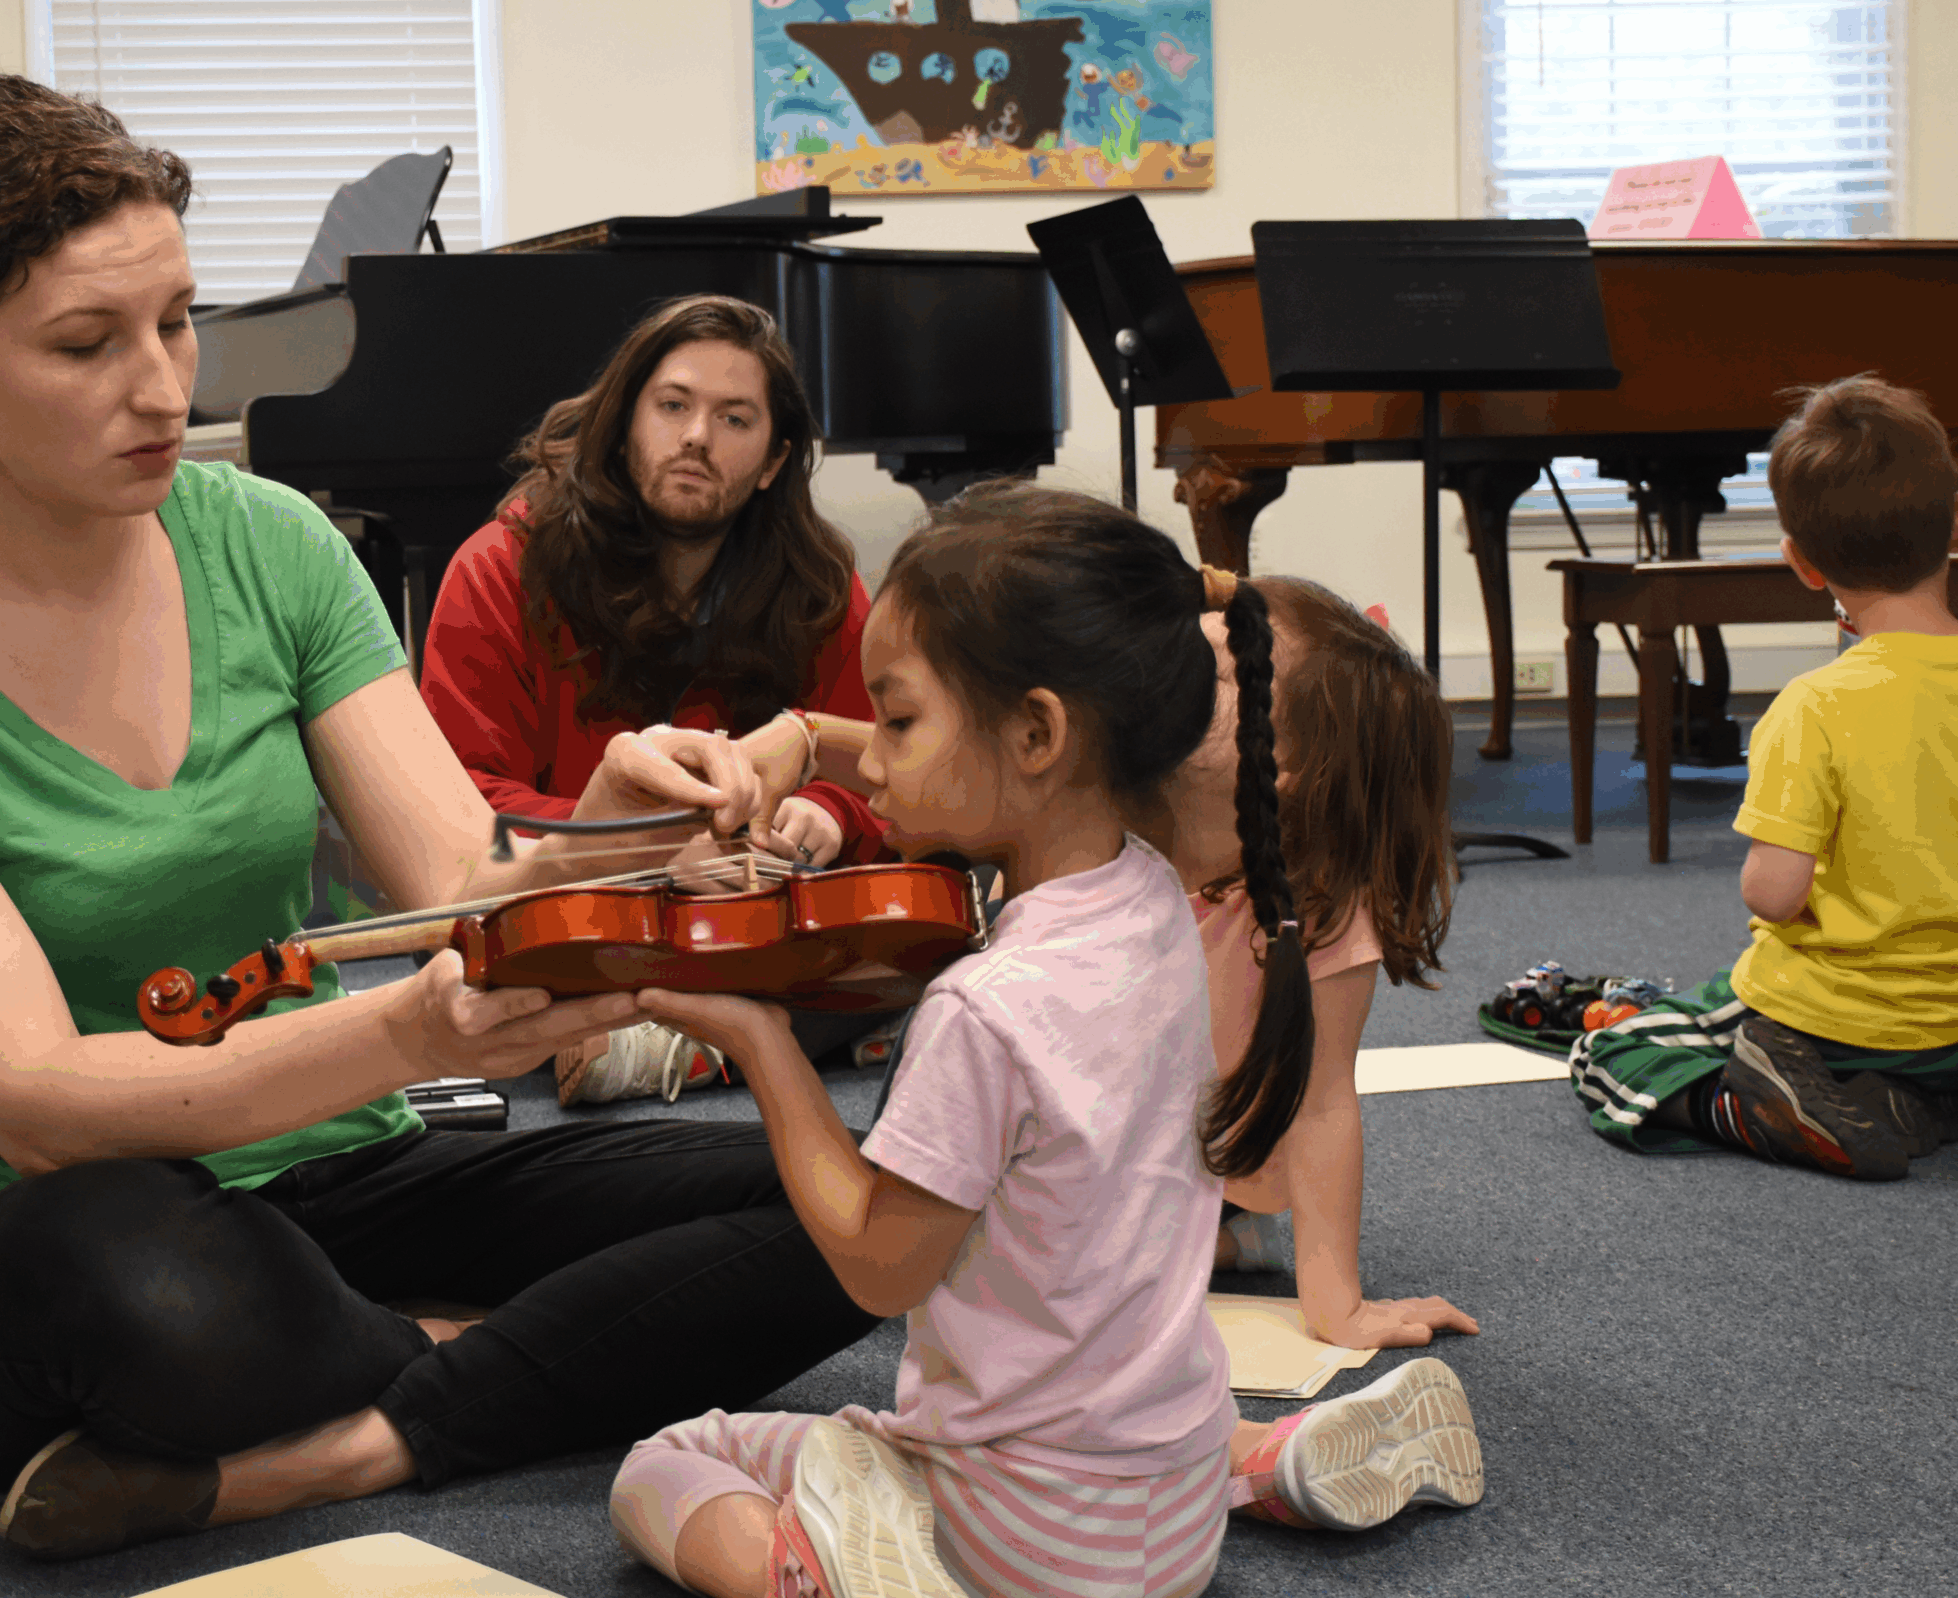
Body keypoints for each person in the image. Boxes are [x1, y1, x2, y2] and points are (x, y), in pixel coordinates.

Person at [0, 69, 883, 1563]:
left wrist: (614, 825)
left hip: (340, 1166)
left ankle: (361, 1430)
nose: (166, 388)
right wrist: (410, 1035)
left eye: (176, 318)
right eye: (87, 344)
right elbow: (30, 1096)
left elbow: (466, 882)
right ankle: (517, 1354)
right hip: (81, 1223)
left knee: (855, 1195)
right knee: (127, 1289)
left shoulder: (274, 544)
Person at [602, 484, 1482, 1598]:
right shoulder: (1162, 895)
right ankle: (1268, 1457)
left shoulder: (984, 1008)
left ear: (1039, 729)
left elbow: (880, 1268)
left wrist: (763, 1041)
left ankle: (827, 1576)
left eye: (902, 719)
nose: (874, 763)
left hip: (1019, 1544)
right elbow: (1011, 765)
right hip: (1166, 1525)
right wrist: (816, 738)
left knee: (670, 1459)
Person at [420, 294, 890, 1105]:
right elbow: (460, 819)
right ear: (626, 420)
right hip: (573, 928)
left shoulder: (820, 584)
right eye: (673, 406)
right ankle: (747, 1038)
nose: (697, 437)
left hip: (754, 929)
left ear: (774, 460)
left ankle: (684, 1043)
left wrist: (828, 813)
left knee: (946, 918)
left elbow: (890, 768)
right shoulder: (498, 569)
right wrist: (635, 847)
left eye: (735, 419)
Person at [1572, 374, 1958, 1178]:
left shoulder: (1814, 707)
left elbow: (1774, 895)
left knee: (1615, 1049)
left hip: (1837, 1016)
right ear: (1953, 524)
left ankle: (1765, 1108)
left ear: (1801, 563)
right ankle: (1918, 1100)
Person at [1147, 575, 1483, 1353]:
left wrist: (1337, 1301)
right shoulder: (1106, 801)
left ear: (1281, 767)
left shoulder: (1317, 901)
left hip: (1200, 1161)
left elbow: (1323, 1096)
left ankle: (1231, 1233)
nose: (1180, 658)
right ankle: (1220, 1240)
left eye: (1229, 673)